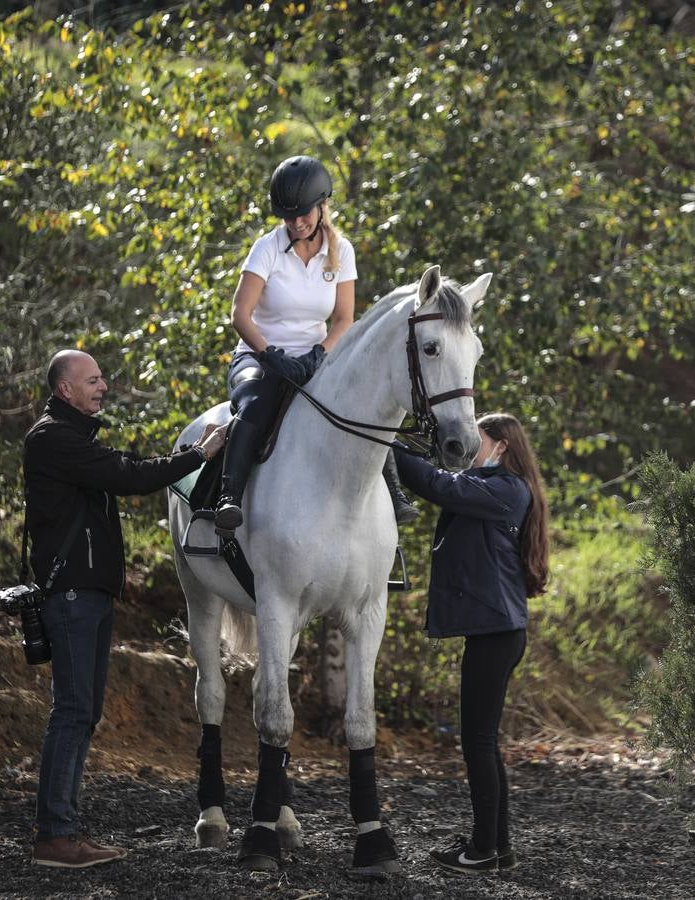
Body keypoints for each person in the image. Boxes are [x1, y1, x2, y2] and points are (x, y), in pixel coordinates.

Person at [24, 349, 225, 868]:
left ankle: (63, 830)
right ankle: (55, 838)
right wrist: (198, 455)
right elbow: (131, 475)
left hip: (87, 592)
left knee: (82, 712)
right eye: (92, 380)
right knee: (71, 711)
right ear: (65, 390)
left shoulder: (73, 439)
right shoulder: (53, 439)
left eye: (102, 378)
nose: (103, 386)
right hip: (70, 593)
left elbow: (124, 470)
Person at [212, 154, 418, 531]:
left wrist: (318, 355)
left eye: (304, 213)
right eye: (288, 217)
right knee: (255, 406)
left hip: (316, 357)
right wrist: (270, 356)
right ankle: (229, 497)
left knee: (362, 405)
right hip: (259, 356)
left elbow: (342, 320)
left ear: (323, 206)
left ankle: (394, 492)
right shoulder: (267, 248)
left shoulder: (343, 252)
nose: (297, 223)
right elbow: (240, 314)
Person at [394, 413, 550, 875]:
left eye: (477, 438)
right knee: (484, 741)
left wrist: (390, 445)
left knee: (477, 741)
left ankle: (482, 851)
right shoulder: (499, 485)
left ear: (500, 445)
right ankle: (497, 847)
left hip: (497, 634)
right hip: (498, 631)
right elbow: (447, 478)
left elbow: (443, 488)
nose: (468, 444)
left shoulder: (506, 489)